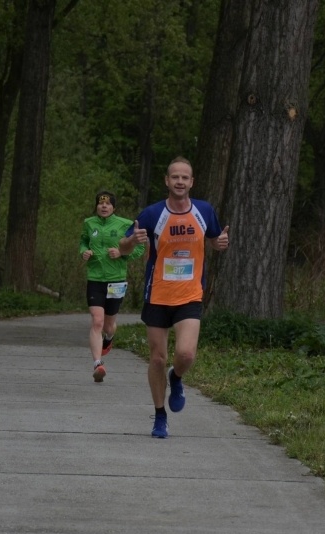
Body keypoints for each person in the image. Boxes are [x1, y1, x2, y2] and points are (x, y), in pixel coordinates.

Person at [119, 157, 229, 438]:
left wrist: (219, 243)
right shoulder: (153, 214)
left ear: (191, 182)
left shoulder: (203, 210)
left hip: (190, 295)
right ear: (167, 181)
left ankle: (176, 377)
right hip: (157, 295)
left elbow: (216, 239)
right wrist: (132, 241)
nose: (179, 182)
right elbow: (122, 246)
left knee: (186, 353)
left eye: (185, 177)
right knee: (157, 358)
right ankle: (159, 416)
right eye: (175, 177)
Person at [79, 191, 145, 383]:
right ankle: (97, 364)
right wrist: (84, 251)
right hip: (95, 278)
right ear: (97, 206)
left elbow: (139, 247)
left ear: (114, 207)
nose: (104, 207)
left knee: (108, 325)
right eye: (101, 204)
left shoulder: (125, 224)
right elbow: (83, 241)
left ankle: (109, 338)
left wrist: (122, 253)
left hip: (116, 279)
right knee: (97, 321)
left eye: (108, 204)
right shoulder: (89, 223)